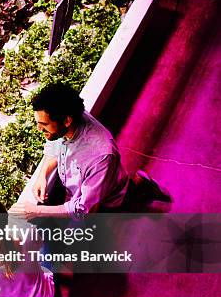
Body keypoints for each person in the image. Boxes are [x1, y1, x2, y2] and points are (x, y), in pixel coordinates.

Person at [10, 82, 169, 221]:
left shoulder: (101, 155)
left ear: (67, 121)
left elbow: (83, 208)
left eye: (43, 124)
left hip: (106, 199)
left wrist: (36, 211)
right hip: (90, 187)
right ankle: (137, 183)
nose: (39, 129)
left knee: (122, 206)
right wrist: (42, 176)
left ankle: (142, 187)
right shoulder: (66, 120)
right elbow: (54, 146)